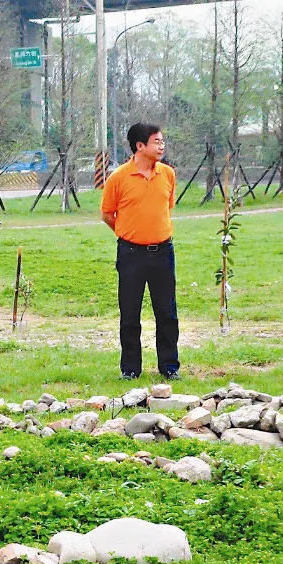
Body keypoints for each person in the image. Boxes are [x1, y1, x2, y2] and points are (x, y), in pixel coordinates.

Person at [100, 122, 180, 381]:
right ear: (140, 146)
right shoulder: (119, 178)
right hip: (131, 254)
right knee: (130, 313)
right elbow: (107, 214)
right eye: (157, 141)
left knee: (167, 312)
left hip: (163, 253)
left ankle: (169, 366)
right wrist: (128, 234)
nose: (161, 146)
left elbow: (167, 208)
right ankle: (130, 369)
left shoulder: (167, 174)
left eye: (162, 141)